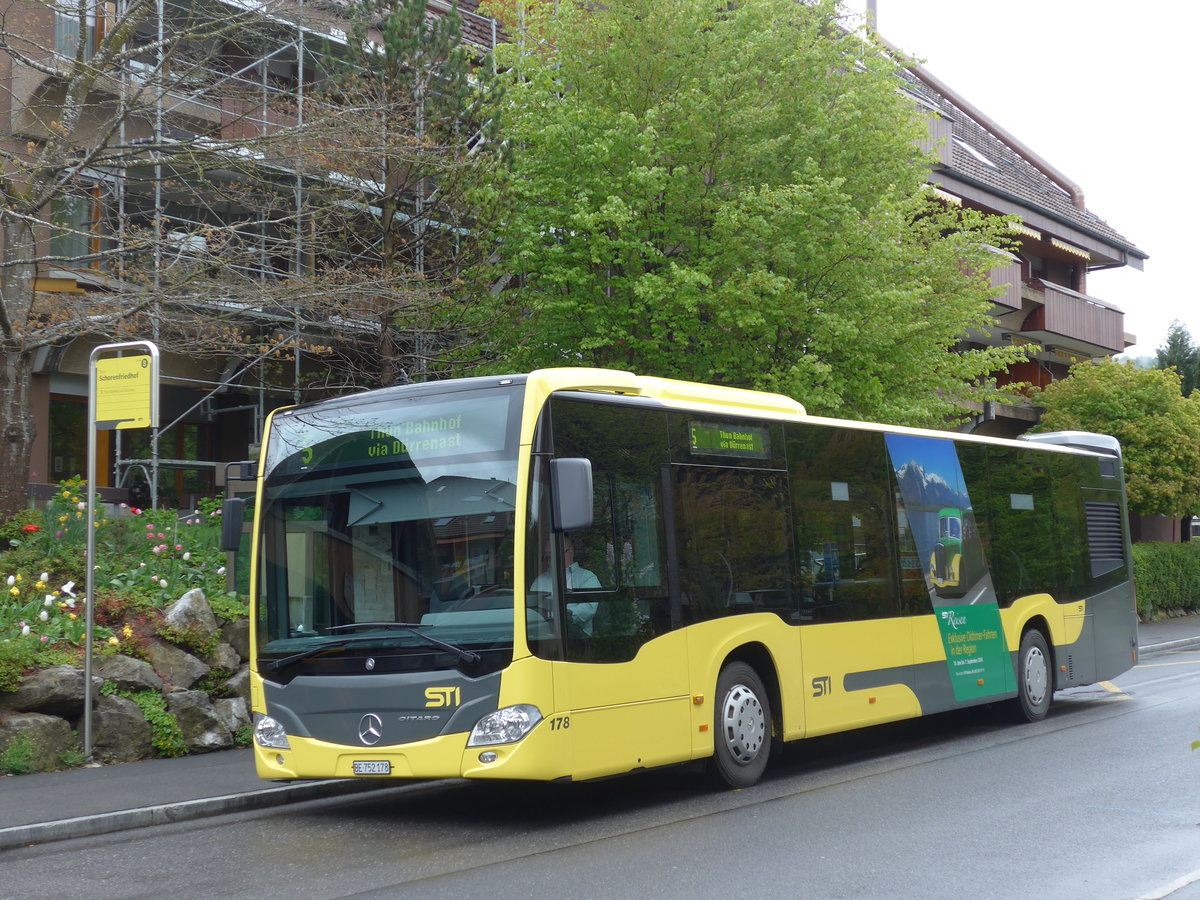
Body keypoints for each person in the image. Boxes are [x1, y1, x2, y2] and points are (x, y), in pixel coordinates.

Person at [530, 535, 601, 635]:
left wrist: (564, 616)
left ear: (570, 552)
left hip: (577, 638)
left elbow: (589, 608)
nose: (551, 559)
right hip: (545, 637)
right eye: (548, 556)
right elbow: (532, 609)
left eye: (556, 554)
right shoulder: (539, 581)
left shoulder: (587, 577)